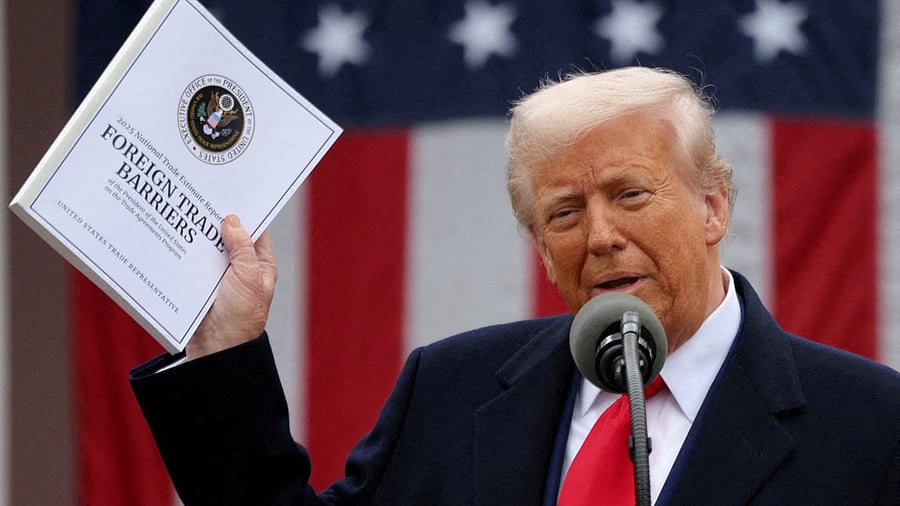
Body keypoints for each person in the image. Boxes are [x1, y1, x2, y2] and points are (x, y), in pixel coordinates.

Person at [131, 67, 900, 505]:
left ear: (714, 206)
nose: (599, 235)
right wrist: (227, 345)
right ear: (541, 248)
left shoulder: (872, 427)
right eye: (565, 212)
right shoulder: (450, 391)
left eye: (630, 195)